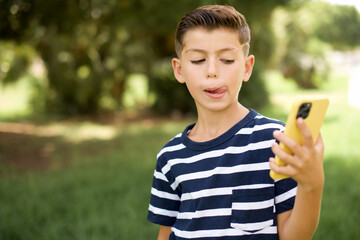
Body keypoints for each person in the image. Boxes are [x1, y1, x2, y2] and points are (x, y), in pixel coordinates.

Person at [147, 5, 324, 240]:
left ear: (247, 67)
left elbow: (294, 236)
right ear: (179, 70)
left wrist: (312, 185)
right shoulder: (170, 157)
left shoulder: (276, 141)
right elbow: (165, 235)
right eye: (198, 60)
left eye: (227, 60)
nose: (212, 71)